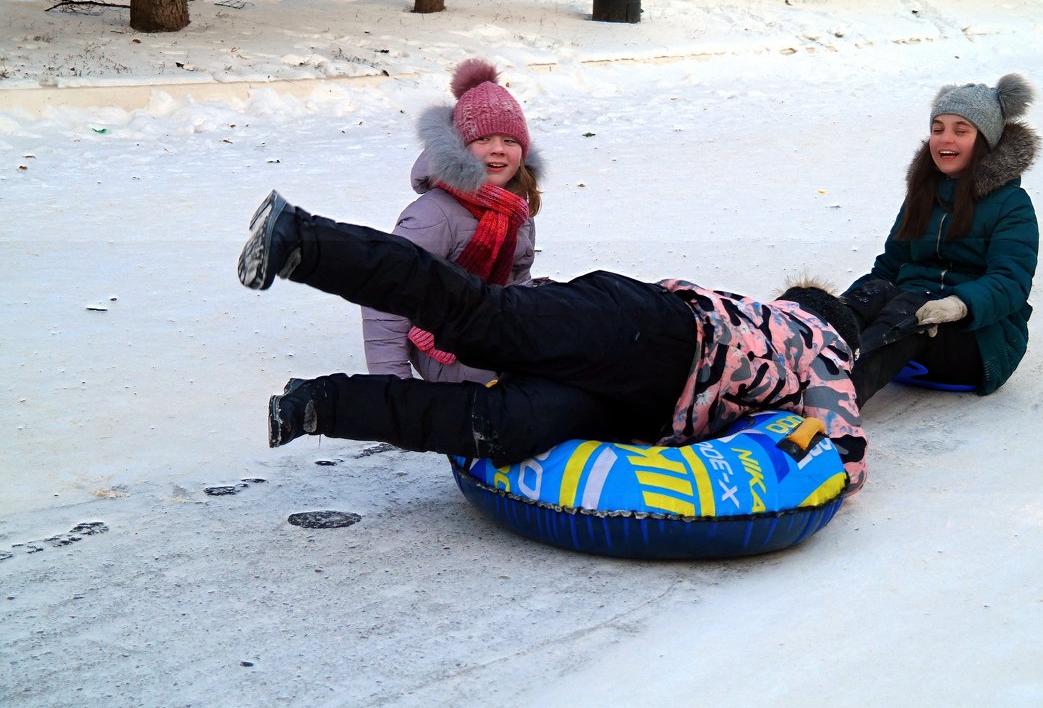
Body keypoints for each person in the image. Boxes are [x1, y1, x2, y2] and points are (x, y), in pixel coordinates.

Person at [235, 191, 869, 495]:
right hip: (652, 336)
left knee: (500, 425)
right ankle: (303, 240)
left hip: (641, 402)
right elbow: (846, 453)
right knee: (480, 318)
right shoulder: (822, 344)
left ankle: (319, 406)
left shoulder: (756, 314)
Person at [842, 73, 1041, 405]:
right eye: (938, 129)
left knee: (909, 306)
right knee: (856, 299)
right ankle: (781, 373)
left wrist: (959, 304)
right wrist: (849, 308)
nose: (945, 139)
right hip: (909, 322)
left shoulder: (1012, 205)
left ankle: (832, 402)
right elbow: (891, 267)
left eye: (960, 130)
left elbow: (1011, 282)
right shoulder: (924, 193)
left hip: (980, 342)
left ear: (985, 140)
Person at [362, 58, 544, 384]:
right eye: (483, 140)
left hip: (494, 324)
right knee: (515, 390)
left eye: (510, 141)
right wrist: (391, 388)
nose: (498, 150)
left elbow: (518, 280)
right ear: (459, 149)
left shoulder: (515, 207)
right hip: (443, 344)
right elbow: (385, 296)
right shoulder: (434, 215)